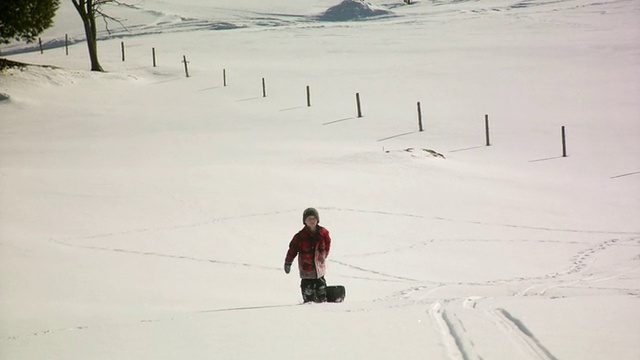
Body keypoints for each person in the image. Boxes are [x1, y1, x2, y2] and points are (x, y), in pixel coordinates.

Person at [284, 207, 332, 303]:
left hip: (319, 271)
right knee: (308, 295)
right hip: (306, 271)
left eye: (314, 218)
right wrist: (288, 262)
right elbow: (292, 250)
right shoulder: (300, 236)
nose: (312, 221)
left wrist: (323, 255)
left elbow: (327, 244)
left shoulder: (323, 233)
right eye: (309, 219)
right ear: (305, 221)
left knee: (321, 293)